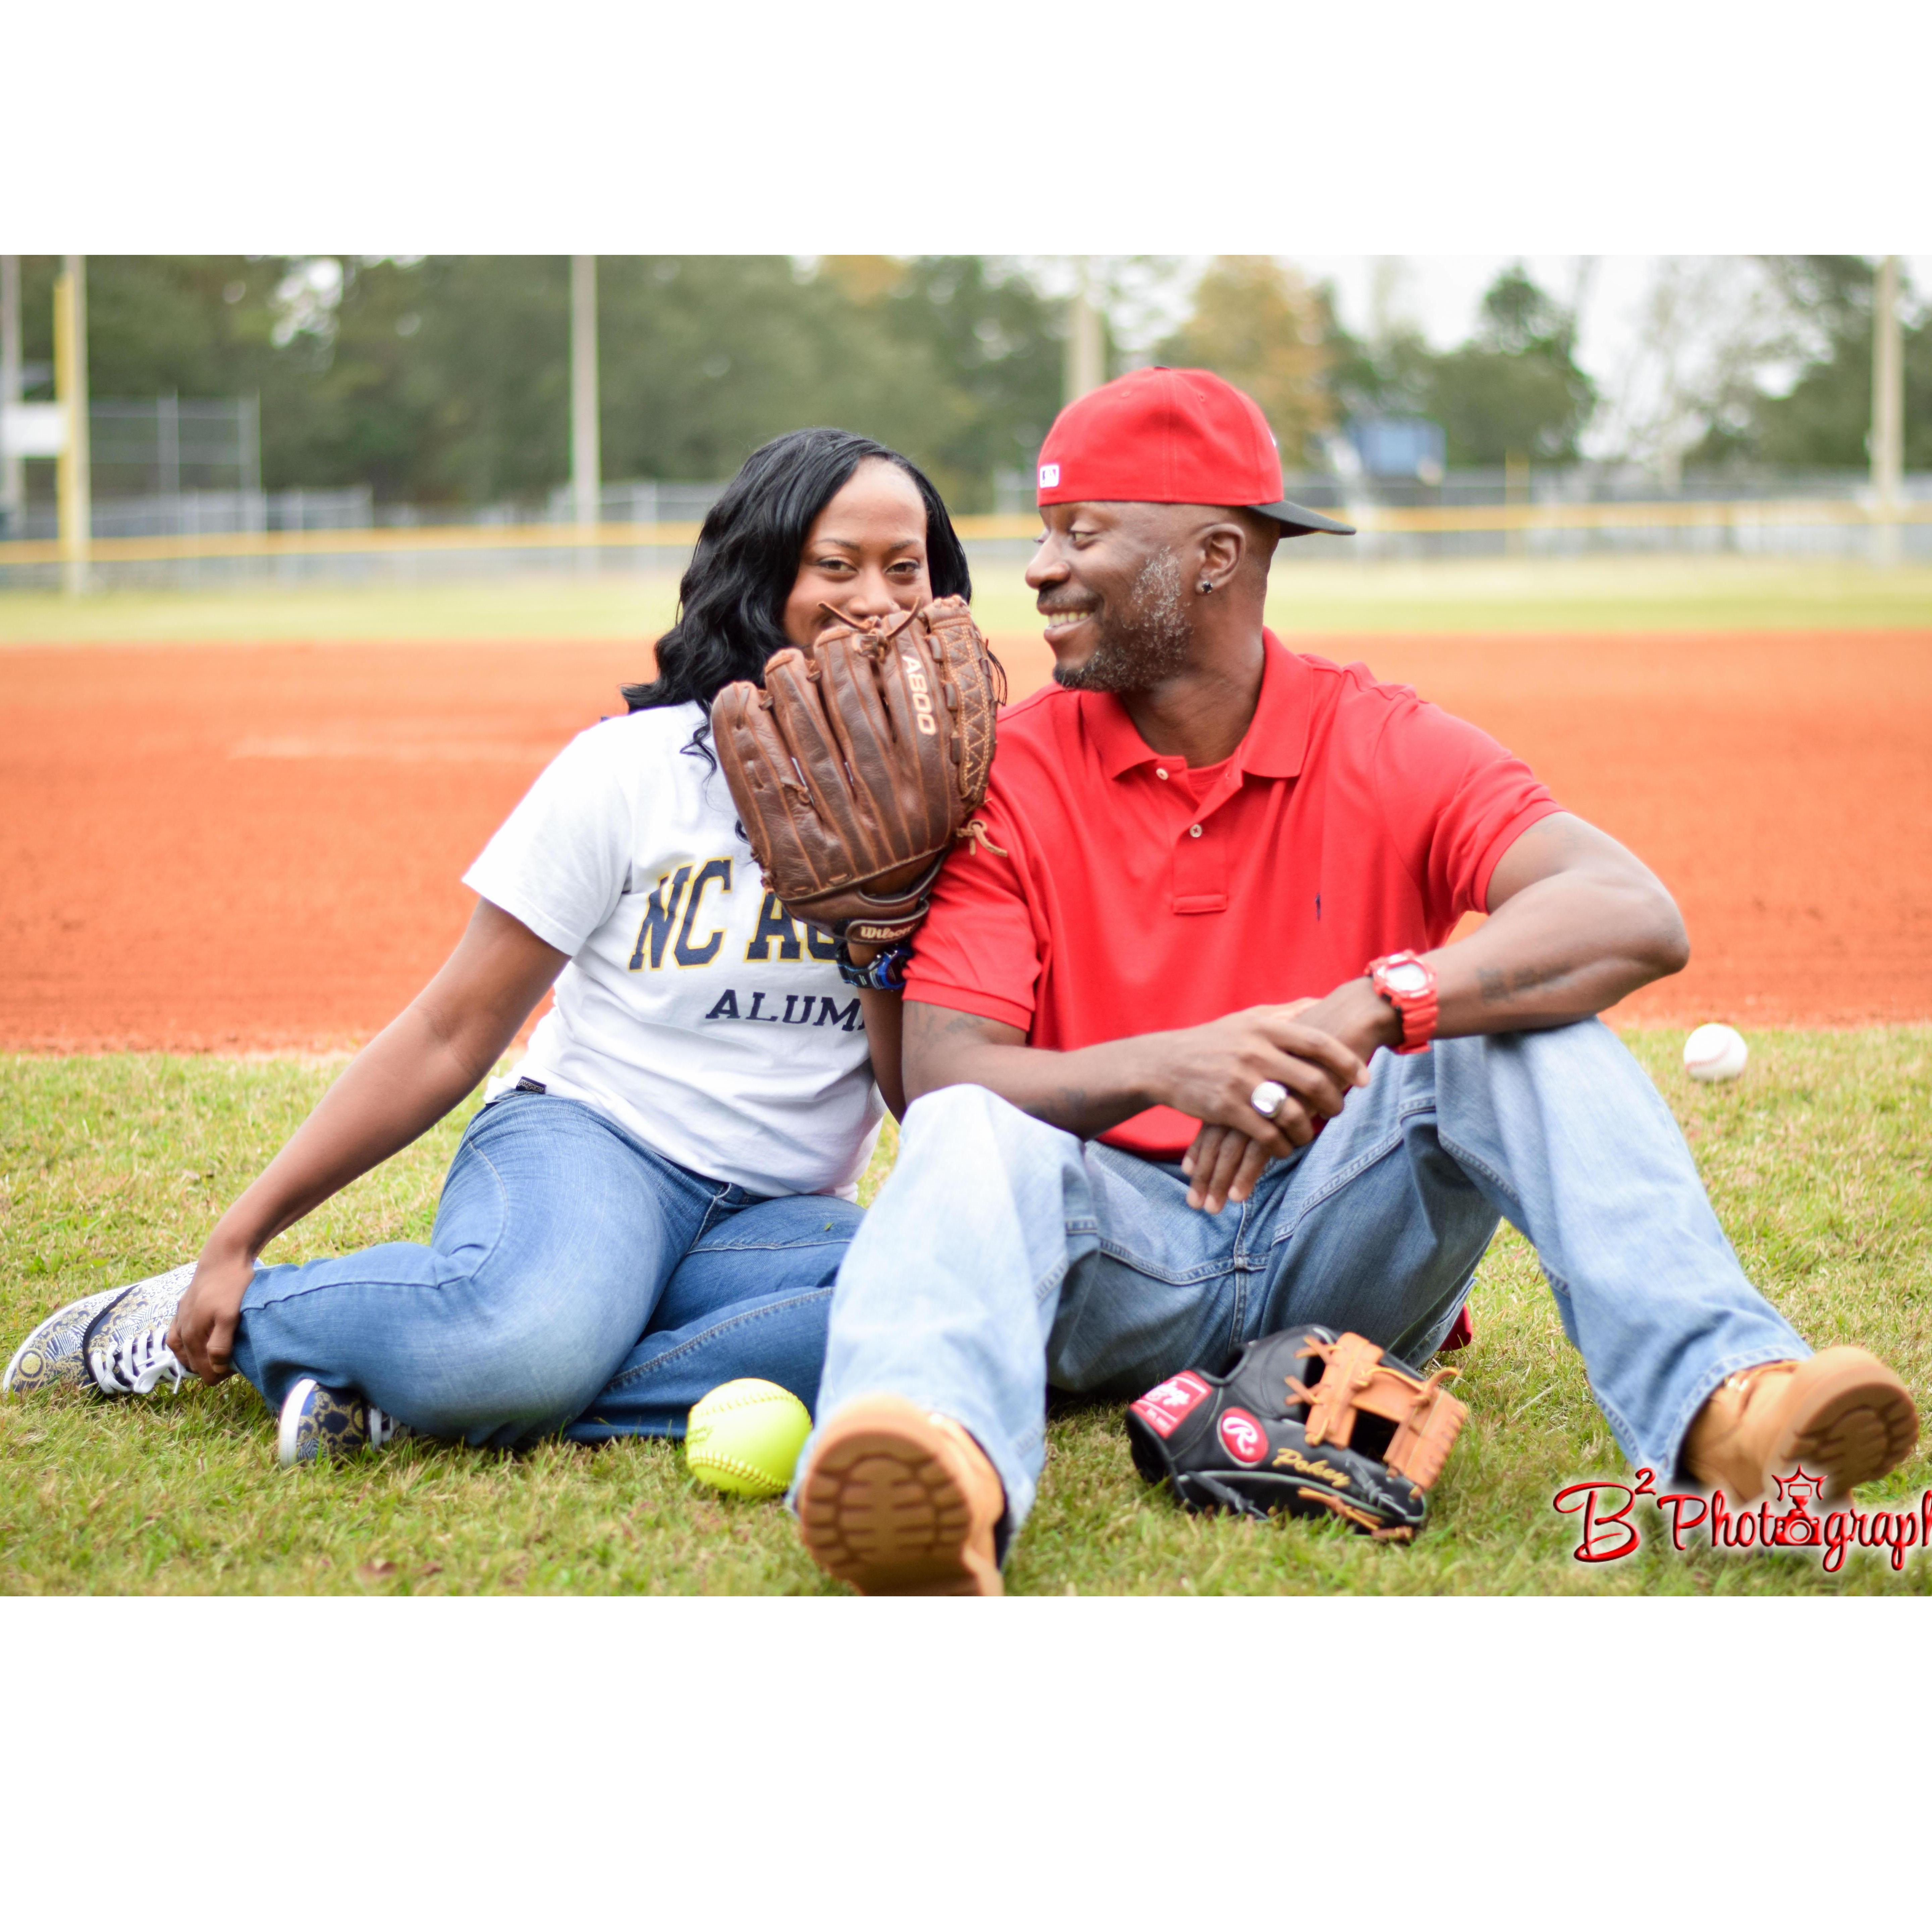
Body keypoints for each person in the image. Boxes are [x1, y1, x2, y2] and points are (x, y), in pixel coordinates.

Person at [789, 366, 1920, 1597]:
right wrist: (1176, 1064)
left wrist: (1379, 1002)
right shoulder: (1006, 771)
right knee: (973, 1131)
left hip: (1342, 1253)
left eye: (1083, 532)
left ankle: (1729, 1414)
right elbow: (949, 1073)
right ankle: (937, 1463)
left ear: (1216, 553)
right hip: (1102, 1262)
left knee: (1516, 1029)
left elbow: (1632, 913)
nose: (1040, 569)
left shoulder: (1379, 736)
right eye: (1047, 535)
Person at [4, 427, 965, 1463]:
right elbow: (453, 1030)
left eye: (904, 567)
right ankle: (224, 1321)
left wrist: (881, 926)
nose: (877, 597)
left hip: (780, 1212)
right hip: (598, 1151)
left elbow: (925, 1103)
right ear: (765, 571)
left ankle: (424, 1388)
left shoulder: (948, 805)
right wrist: (242, 1234)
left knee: (927, 1313)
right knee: (521, 1340)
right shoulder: (631, 769)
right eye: (837, 565)